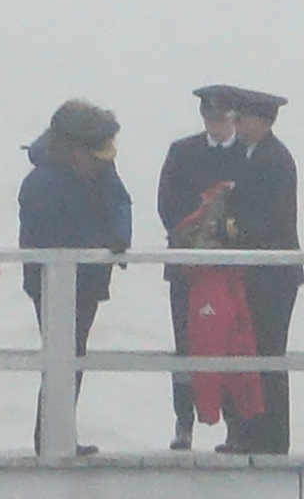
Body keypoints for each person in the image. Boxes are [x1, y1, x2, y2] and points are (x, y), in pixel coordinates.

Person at [17, 99, 131, 456]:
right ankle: (49, 437)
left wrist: (119, 239)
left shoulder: (103, 171)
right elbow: (48, 238)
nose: (102, 160)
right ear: (73, 150)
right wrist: (95, 244)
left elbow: (121, 204)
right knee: (60, 357)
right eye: (94, 152)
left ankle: (58, 432)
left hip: (91, 283)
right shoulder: (39, 183)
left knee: (75, 356)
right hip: (49, 286)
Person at [156, 84, 246, 450]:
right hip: (187, 268)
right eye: (209, 119)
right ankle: (183, 424)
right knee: (185, 344)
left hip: (230, 270)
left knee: (232, 344)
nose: (215, 126)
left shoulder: (247, 155)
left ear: (234, 118)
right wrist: (194, 237)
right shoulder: (182, 152)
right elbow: (167, 207)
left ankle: (235, 427)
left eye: (221, 119)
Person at [223, 88, 300, 455]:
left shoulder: (275, 159)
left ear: (264, 121)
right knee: (246, 354)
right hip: (250, 273)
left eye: (243, 118)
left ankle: (273, 439)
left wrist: (233, 229)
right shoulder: (245, 155)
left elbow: (270, 220)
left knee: (269, 355)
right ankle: (247, 433)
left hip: (274, 275)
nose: (236, 124)